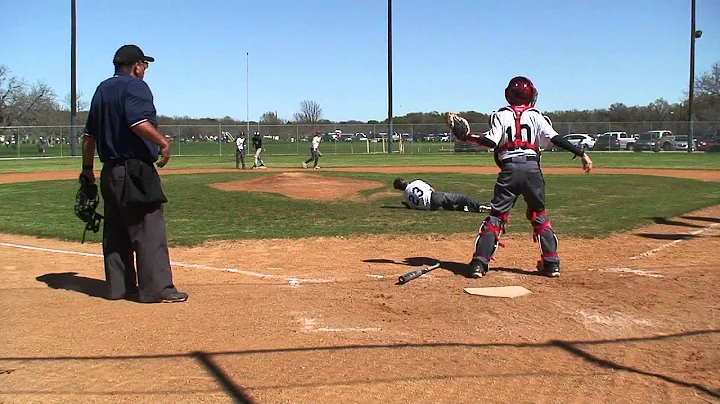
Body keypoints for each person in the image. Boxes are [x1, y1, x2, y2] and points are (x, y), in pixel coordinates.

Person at [449, 76, 593, 279]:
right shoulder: (536, 116)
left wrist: (467, 137)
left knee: (496, 216)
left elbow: (490, 141)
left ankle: (479, 265)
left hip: (509, 169)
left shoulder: (501, 115)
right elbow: (556, 139)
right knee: (539, 215)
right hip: (532, 169)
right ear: (530, 95)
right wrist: (581, 153)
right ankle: (552, 264)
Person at [80, 44, 188, 303]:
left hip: (110, 172)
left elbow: (89, 136)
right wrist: (163, 142)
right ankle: (158, 288)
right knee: (149, 228)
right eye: (144, 66)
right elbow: (137, 122)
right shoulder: (135, 86)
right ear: (137, 66)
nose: (145, 71)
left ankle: (119, 287)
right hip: (134, 171)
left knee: (116, 231)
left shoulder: (102, 89)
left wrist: (86, 170)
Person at [393, 178, 489, 213]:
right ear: (405, 181)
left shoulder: (406, 196)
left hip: (431, 208)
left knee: (451, 208)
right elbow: (431, 189)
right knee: (461, 198)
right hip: (434, 197)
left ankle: (465, 208)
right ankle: (479, 205)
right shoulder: (416, 182)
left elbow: (413, 207)